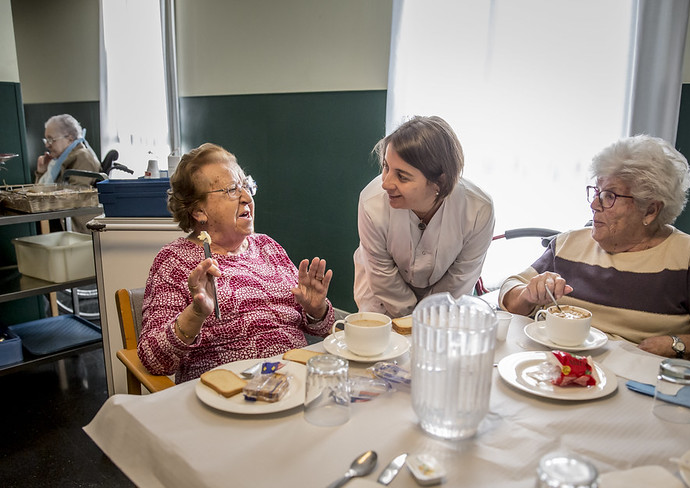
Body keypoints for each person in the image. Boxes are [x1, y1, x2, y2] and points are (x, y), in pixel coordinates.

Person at [500, 135, 690, 368]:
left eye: (609, 196)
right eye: (596, 191)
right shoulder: (569, 243)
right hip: (559, 370)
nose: (594, 204)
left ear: (650, 210)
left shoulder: (688, 256)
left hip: (637, 382)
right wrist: (528, 294)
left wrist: (676, 345)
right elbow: (509, 291)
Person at [138, 143, 335, 383]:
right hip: (229, 395)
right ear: (199, 211)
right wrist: (196, 314)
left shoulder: (267, 247)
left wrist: (316, 311)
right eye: (232, 189)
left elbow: (321, 329)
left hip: (295, 381)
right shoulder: (175, 262)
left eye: (245, 185)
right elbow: (153, 360)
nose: (246, 197)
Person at [353, 116, 495, 318]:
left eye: (402, 176)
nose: (386, 183)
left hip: (444, 302)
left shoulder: (478, 211)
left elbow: (459, 280)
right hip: (382, 298)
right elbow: (383, 276)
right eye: (386, 167)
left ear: (440, 181)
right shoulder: (372, 202)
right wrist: (410, 323)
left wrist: (428, 322)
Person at [35, 114, 101, 184]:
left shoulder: (83, 157)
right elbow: (38, 193)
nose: (47, 145)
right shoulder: (58, 162)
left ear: (70, 138)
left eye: (51, 140)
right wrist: (41, 172)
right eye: (47, 140)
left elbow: (78, 193)